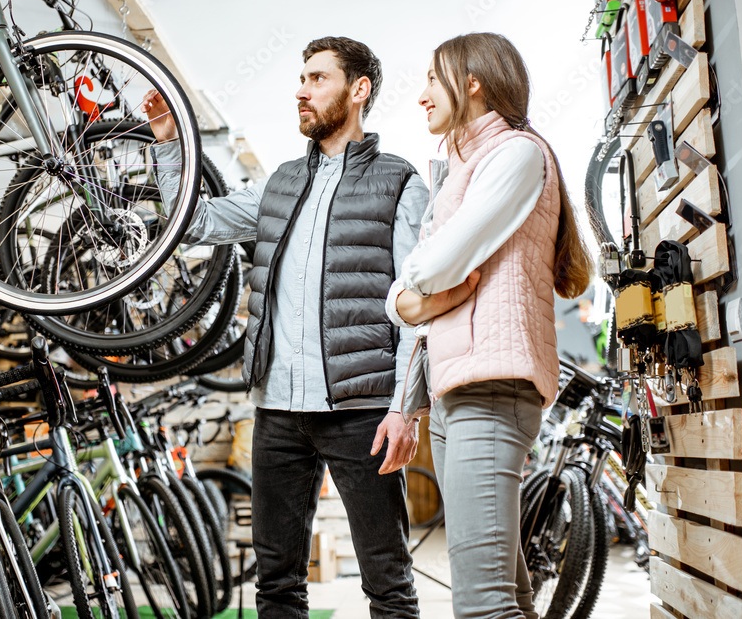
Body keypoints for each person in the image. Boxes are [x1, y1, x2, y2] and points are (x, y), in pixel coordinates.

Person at [143, 36, 427, 618]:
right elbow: (192, 224)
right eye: (301, 79)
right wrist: (169, 146)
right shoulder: (279, 184)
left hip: (363, 410)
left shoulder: (400, 182)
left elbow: (415, 307)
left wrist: (407, 406)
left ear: (359, 90)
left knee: (389, 584)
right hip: (278, 410)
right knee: (275, 584)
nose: (302, 91)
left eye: (318, 79)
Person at [381, 33, 594, 619]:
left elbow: (432, 265)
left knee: (482, 604)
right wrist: (410, 301)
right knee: (506, 594)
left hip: (492, 393)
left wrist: (412, 290)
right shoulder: (463, 166)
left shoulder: (516, 154)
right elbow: (409, 293)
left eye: (432, 78)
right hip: (457, 395)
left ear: (471, 82)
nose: (422, 94)